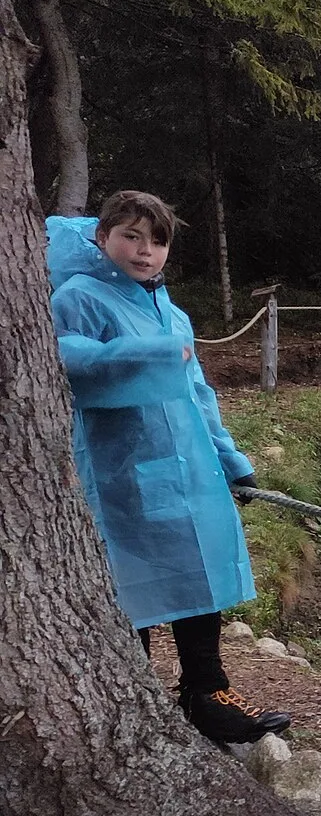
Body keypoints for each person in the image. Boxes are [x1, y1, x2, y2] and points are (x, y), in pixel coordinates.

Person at [46, 191, 291, 744]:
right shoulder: (80, 295)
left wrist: (232, 460)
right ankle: (132, 693)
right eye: (130, 236)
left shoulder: (169, 310)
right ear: (102, 237)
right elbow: (68, 356)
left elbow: (198, 392)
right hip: (117, 470)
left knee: (195, 572)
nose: (144, 250)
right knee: (129, 580)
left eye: (157, 241)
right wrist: (150, 354)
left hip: (187, 466)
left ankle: (207, 691)